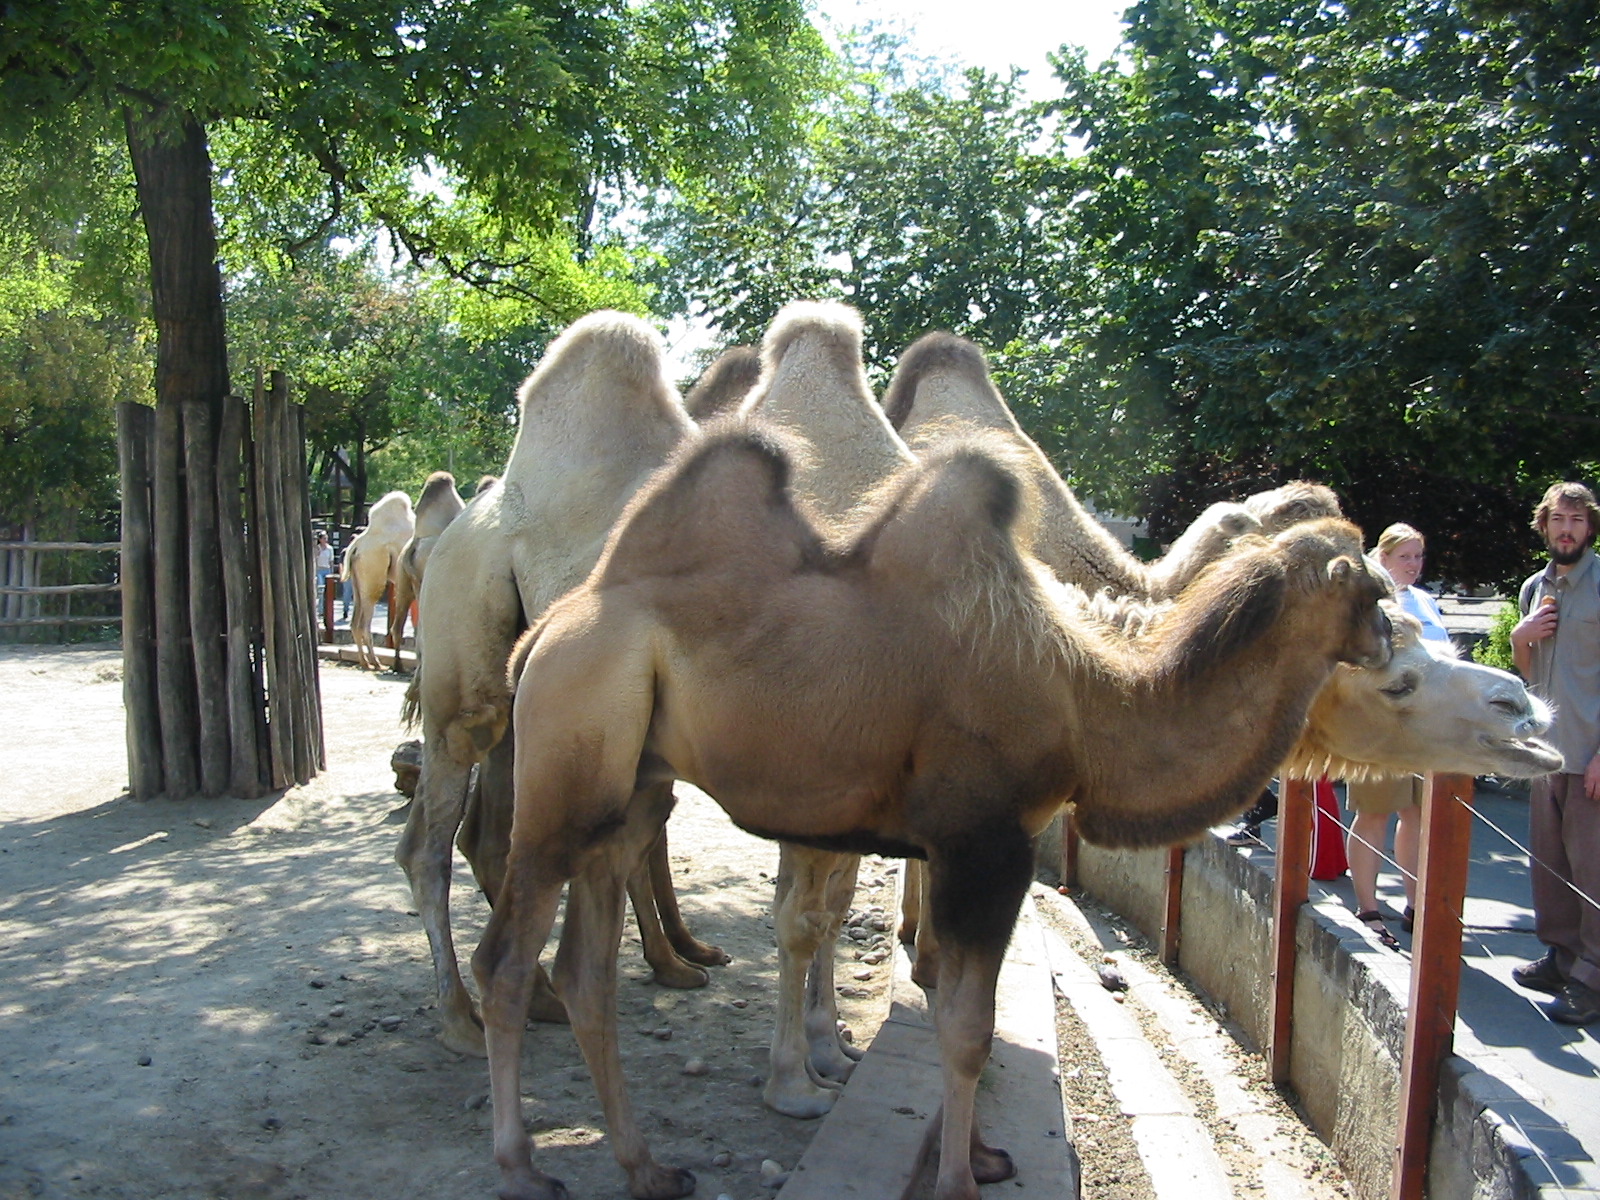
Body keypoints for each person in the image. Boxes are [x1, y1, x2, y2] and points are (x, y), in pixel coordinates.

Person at [1508, 482, 1600, 1025]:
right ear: (1543, 525)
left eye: (1578, 520)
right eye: (1558, 520)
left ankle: (1591, 976)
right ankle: (1563, 958)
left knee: (1594, 872)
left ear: (1590, 528)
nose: (1567, 529)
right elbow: (1531, 678)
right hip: (1546, 756)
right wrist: (1521, 639)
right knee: (1550, 867)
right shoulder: (1532, 588)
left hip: (1590, 756)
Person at [1344, 523, 1450, 948]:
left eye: (1418, 556)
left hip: (1424, 727)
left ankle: (1415, 903)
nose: (1413, 565)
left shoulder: (1425, 601)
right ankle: (1368, 907)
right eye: (1404, 556)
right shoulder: (1367, 604)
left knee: (1417, 816)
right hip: (1379, 725)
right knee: (1374, 813)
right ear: (1382, 559)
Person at [313, 531, 334, 611]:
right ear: (320, 539)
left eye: (326, 538)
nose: (326, 540)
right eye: (324, 538)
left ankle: (327, 609)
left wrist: (331, 572)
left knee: (327, 591)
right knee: (321, 590)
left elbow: (331, 560)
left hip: (327, 570)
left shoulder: (330, 549)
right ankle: (320, 609)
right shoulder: (317, 548)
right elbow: (315, 558)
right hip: (319, 570)